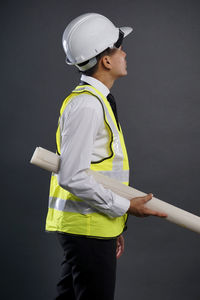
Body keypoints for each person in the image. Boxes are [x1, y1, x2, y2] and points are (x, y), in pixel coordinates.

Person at [45, 13, 167, 300]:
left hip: (92, 228)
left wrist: (111, 228)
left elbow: (96, 171)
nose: (125, 53)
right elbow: (73, 176)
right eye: (119, 46)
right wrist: (124, 207)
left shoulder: (96, 101)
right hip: (87, 230)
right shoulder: (87, 105)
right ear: (106, 60)